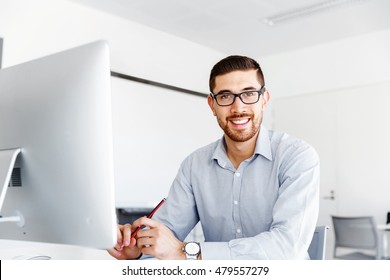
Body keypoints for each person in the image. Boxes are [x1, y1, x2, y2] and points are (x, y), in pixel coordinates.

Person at [108, 55, 320, 260]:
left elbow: (286, 247)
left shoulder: (297, 157)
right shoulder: (194, 165)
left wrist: (186, 252)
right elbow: (167, 232)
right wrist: (138, 248)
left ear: (264, 99)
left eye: (249, 94)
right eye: (225, 96)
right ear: (212, 105)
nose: (238, 108)